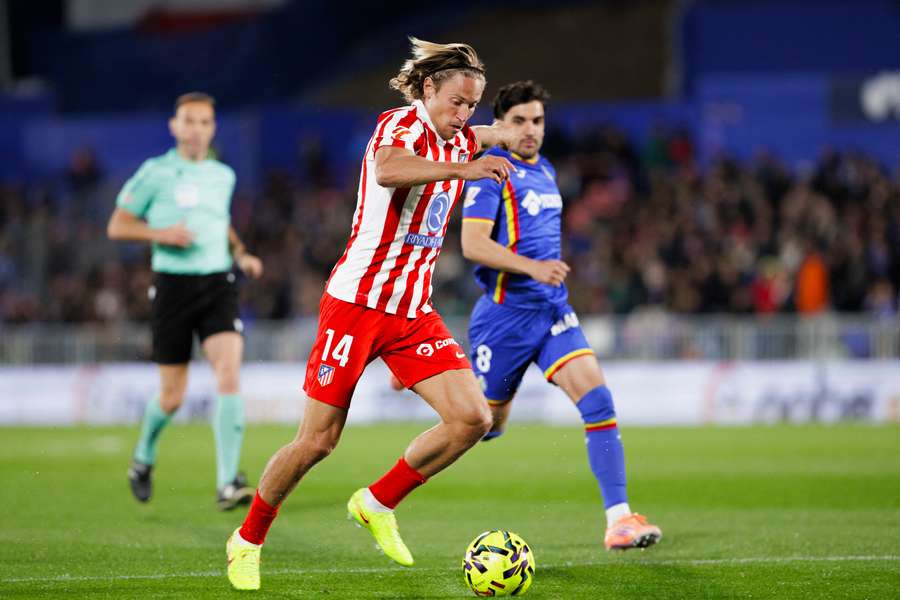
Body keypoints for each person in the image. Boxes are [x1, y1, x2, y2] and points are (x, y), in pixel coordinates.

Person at [225, 38, 515, 591]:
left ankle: (378, 501)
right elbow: (387, 170)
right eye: (457, 102)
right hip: (356, 306)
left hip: (411, 312)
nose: (463, 115)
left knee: (473, 419)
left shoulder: (456, 136)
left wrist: (505, 134)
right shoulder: (399, 129)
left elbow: (475, 135)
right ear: (428, 89)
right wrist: (468, 168)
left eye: (472, 106)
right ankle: (248, 538)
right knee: (317, 442)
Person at [460, 81, 662, 551]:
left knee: (598, 403)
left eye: (537, 121)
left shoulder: (547, 170)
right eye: (519, 121)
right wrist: (532, 268)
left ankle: (619, 521)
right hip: (504, 319)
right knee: (481, 423)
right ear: (500, 126)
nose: (530, 130)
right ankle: (429, 381)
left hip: (551, 312)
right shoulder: (493, 172)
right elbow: (471, 245)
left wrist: (544, 276)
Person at [107, 92, 264, 511]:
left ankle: (228, 482)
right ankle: (143, 457)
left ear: (212, 128)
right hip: (173, 288)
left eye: (204, 122)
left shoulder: (222, 176)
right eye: (189, 121)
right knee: (172, 396)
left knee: (228, 374)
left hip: (217, 285)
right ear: (174, 127)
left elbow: (220, 221)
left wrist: (241, 253)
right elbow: (118, 225)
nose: (196, 129)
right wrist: (160, 234)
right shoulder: (155, 173)